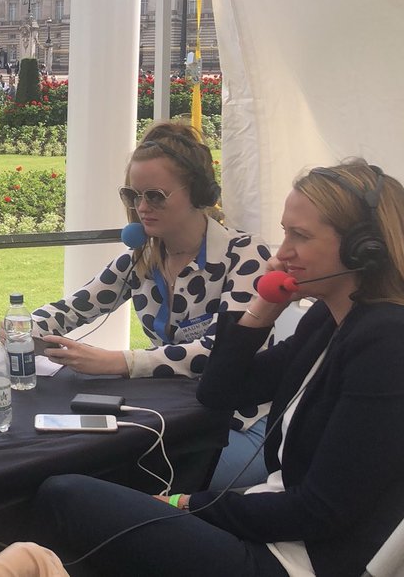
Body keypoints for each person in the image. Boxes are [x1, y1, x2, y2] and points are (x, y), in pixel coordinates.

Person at [34, 159, 404, 577]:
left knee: (66, 494)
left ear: (364, 249)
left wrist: (187, 505)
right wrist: (263, 308)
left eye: (300, 236)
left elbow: (319, 511)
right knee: (104, 502)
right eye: (285, 233)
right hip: (283, 533)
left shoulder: (395, 342)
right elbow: (219, 392)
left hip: (305, 560)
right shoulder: (330, 321)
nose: (283, 253)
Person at [28, 122, 272, 490]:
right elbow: (71, 309)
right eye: (133, 195)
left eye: (155, 196)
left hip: (239, 426)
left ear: (199, 193)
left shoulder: (246, 255)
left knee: (118, 478)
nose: (142, 208)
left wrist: (120, 361)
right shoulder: (140, 260)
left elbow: (220, 352)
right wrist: (20, 328)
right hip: (171, 418)